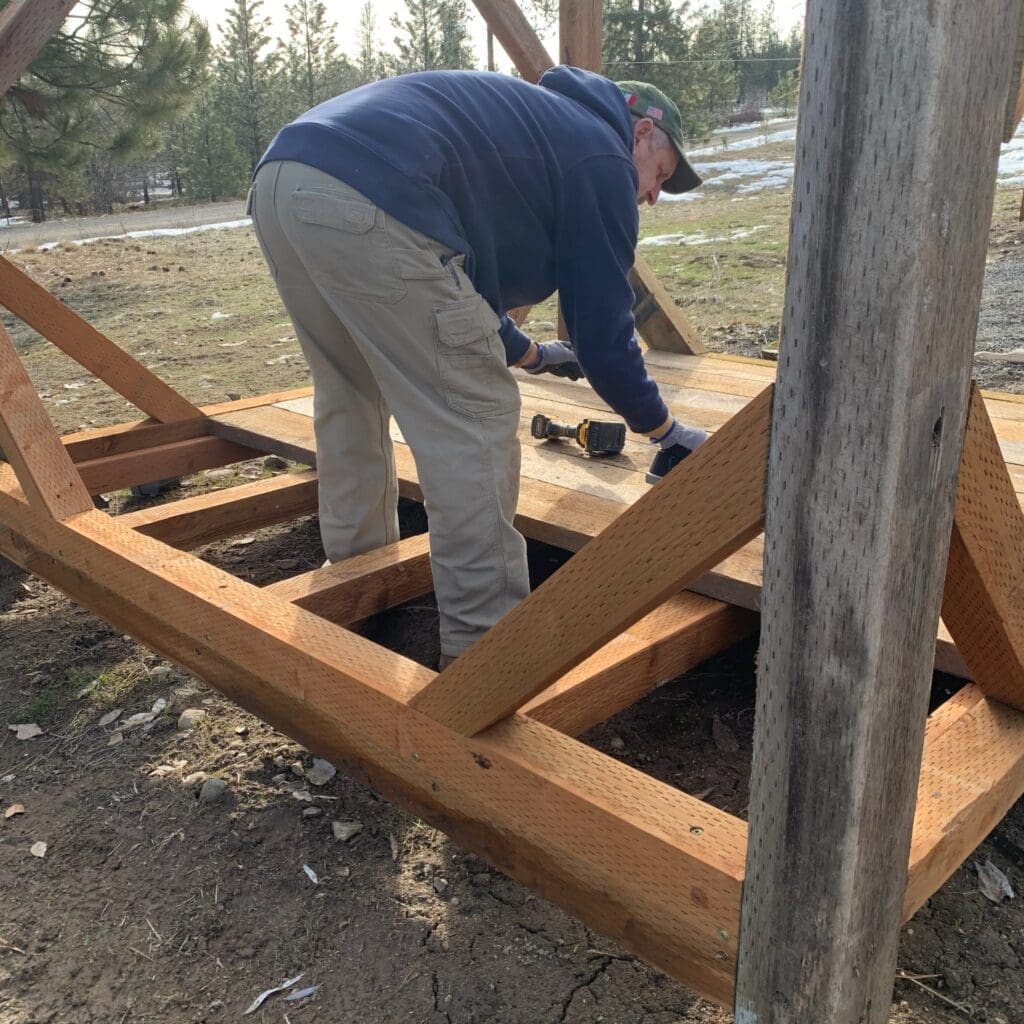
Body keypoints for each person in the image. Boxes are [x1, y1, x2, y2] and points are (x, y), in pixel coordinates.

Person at [248, 66, 707, 668]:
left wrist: (533, 354)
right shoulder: (603, 156)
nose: (649, 194)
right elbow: (603, 334)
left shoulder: (530, 131)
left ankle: (360, 582)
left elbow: (451, 283)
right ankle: (484, 656)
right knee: (474, 418)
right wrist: (665, 432)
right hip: (373, 195)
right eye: (660, 175)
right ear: (642, 132)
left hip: (287, 178)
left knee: (351, 392)